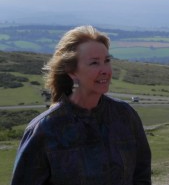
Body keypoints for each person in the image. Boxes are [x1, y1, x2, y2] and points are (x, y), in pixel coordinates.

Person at [10, 25, 152, 185]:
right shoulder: (45, 129)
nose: (105, 69)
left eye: (107, 61)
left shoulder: (125, 116)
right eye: (94, 63)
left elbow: (142, 175)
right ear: (72, 71)